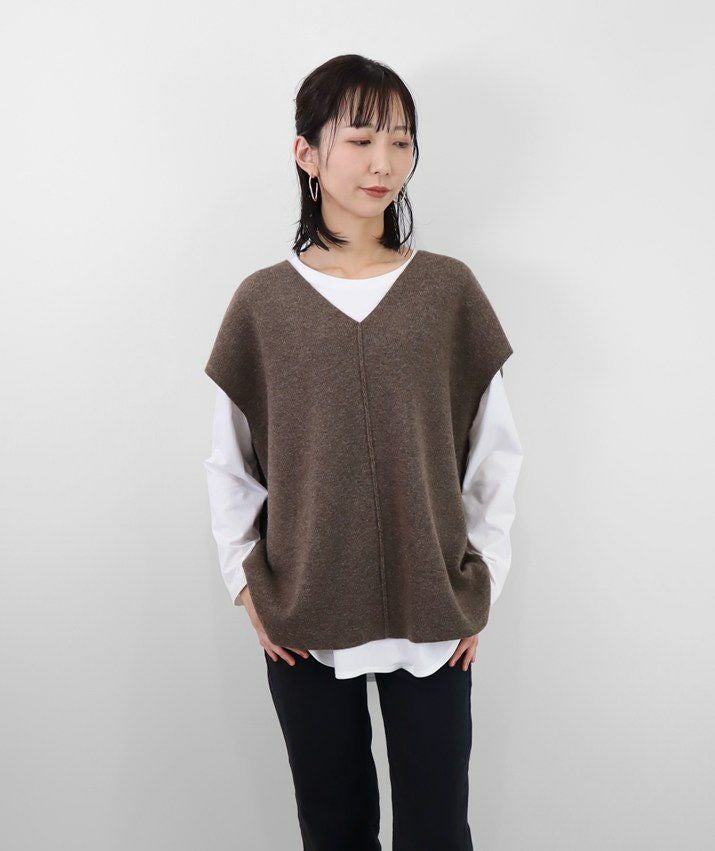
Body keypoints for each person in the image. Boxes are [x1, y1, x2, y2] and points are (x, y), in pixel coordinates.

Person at [203, 54, 523, 851]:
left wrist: (481, 577)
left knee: (436, 831)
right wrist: (246, 584)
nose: (383, 162)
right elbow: (230, 463)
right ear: (306, 153)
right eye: (359, 139)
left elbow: (492, 454)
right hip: (303, 613)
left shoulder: (448, 291)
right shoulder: (261, 303)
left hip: (432, 612)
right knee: (333, 828)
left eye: (401, 140)